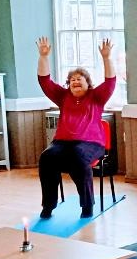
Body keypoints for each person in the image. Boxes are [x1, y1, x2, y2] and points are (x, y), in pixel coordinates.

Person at [37, 36, 116, 219]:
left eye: (79, 79)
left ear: (88, 83)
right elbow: (44, 81)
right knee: (47, 157)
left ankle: (87, 205)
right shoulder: (63, 97)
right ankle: (48, 205)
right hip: (62, 144)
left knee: (78, 156)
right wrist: (43, 57)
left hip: (92, 144)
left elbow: (110, 81)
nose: (75, 82)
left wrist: (106, 58)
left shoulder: (96, 97)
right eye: (72, 80)